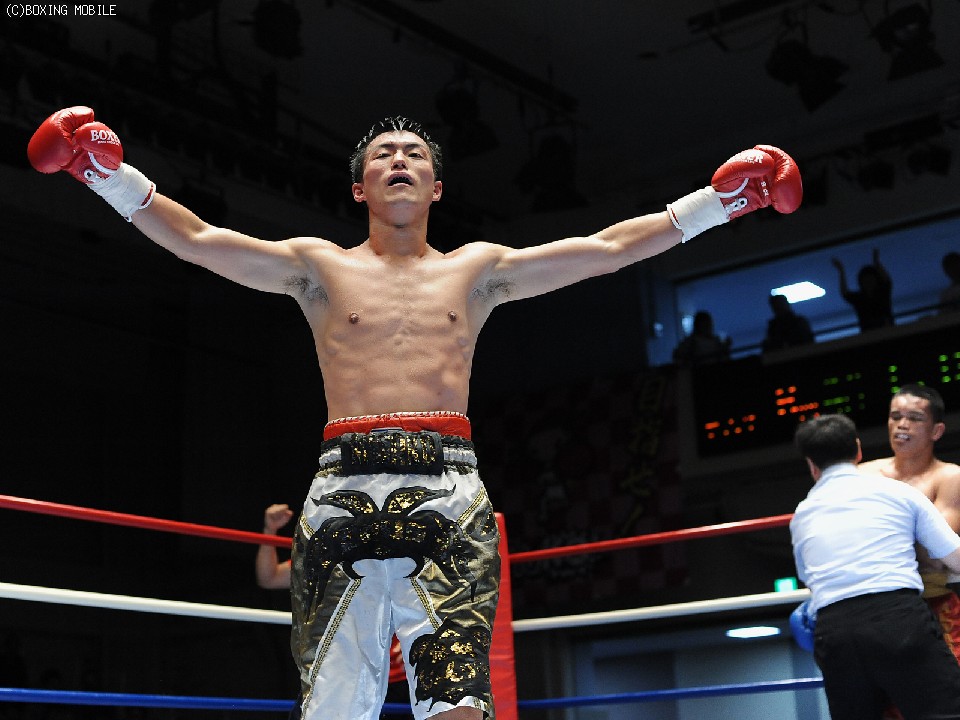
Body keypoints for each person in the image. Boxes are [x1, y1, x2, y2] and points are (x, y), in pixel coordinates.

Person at [27, 106, 802, 720]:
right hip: (341, 492)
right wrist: (106, 175)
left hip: (447, 491)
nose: (399, 159)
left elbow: (607, 249)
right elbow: (198, 239)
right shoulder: (315, 266)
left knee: (457, 699)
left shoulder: (480, 269)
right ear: (359, 189)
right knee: (333, 706)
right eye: (382, 155)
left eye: (415, 154)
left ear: (436, 189)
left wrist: (720, 203)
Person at [790, 413, 960, 720]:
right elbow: (954, 556)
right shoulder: (897, 491)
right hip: (897, 618)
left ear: (811, 465)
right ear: (858, 450)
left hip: (835, 632)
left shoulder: (802, 514)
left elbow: (809, 579)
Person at [255, 504, 409, 719]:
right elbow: (269, 578)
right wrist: (269, 530)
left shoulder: (409, 556)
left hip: (401, 679)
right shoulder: (331, 556)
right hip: (344, 668)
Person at [858, 384, 960, 663]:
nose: (902, 425)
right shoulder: (863, 475)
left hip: (932, 601)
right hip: (874, 601)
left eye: (914, 418)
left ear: (936, 431)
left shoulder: (949, 477)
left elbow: (935, 553)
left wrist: (874, 539)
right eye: (895, 416)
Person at [831, 249, 893, 332]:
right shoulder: (860, 298)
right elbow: (845, 293)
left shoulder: (882, 293)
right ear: (861, 282)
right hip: (869, 334)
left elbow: (887, 281)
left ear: (876, 280)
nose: (868, 282)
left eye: (871, 279)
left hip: (888, 332)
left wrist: (876, 262)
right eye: (865, 280)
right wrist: (841, 271)